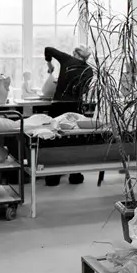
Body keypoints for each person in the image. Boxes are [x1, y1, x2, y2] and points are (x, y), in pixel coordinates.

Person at [43, 45, 93, 186]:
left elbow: (48, 49)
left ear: (75, 53)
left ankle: (53, 177)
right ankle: (75, 175)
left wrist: (49, 64)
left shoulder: (67, 59)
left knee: (55, 138)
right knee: (74, 139)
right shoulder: (89, 70)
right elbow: (84, 90)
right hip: (75, 106)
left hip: (59, 104)